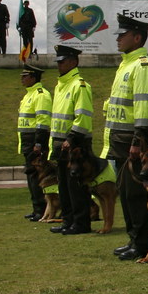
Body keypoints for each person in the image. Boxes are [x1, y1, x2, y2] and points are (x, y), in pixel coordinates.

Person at [106, 13, 148, 262]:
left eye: (123, 35)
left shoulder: (142, 66)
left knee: (138, 195)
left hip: (138, 142)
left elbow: (145, 108)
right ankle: (133, 239)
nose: (118, 39)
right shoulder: (126, 65)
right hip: (122, 141)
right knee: (126, 193)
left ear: (137, 37)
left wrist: (136, 141)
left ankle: (142, 244)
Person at [48, 45, 94, 235]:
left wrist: (71, 138)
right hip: (60, 144)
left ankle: (81, 223)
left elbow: (82, 116)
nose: (59, 65)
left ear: (74, 62)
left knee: (76, 187)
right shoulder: (60, 85)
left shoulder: (79, 85)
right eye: (58, 61)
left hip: (75, 144)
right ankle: (67, 221)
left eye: (63, 61)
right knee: (64, 187)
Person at [17, 64, 52, 222]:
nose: (22, 79)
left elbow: (43, 121)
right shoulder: (28, 95)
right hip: (27, 141)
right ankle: (36, 208)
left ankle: (43, 209)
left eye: (25, 76)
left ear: (33, 77)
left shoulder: (40, 95)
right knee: (31, 176)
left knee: (38, 177)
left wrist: (39, 143)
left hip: (35, 141)